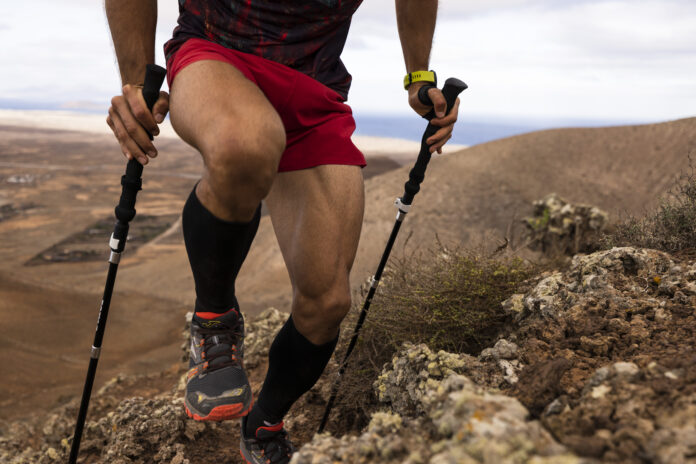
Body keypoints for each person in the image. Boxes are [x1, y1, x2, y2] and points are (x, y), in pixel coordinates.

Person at [105, 0, 459, 462]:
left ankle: (265, 422)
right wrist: (135, 81)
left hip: (315, 86)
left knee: (327, 303)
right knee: (245, 144)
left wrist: (418, 76)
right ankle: (214, 322)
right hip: (216, 53)